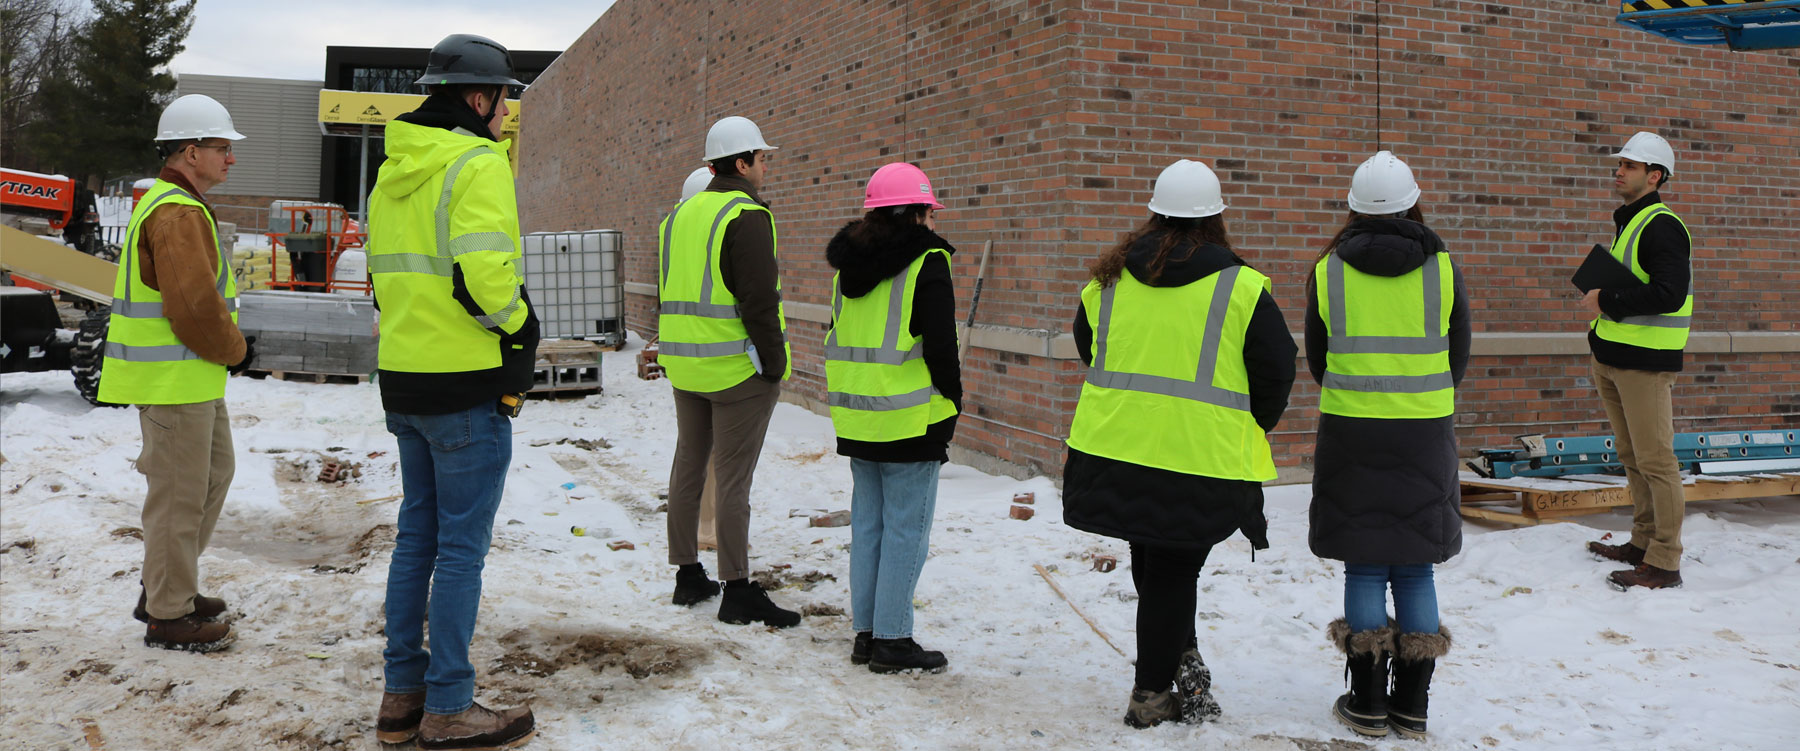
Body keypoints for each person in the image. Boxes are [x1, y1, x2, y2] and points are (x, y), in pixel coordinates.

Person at [1062, 159, 1296, 728]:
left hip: (1117, 449)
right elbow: (1277, 368)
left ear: (1154, 214)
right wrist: (1248, 422)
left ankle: (1177, 651)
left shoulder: (1108, 281)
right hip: (1199, 457)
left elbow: (1091, 348)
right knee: (1172, 567)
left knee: (1155, 554)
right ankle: (1151, 692)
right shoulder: (1240, 286)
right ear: (1215, 218)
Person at [365, 33, 538, 750]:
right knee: (461, 549)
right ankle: (450, 705)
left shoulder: (393, 171)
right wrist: (523, 329)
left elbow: (381, 280)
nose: (505, 114)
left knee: (417, 540)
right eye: (503, 100)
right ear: (478, 97)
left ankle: (401, 698)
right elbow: (485, 280)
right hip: (466, 386)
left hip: (405, 379)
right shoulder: (477, 163)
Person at [1305, 150, 1468, 740]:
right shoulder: (1442, 267)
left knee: (1367, 564)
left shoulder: (1327, 269)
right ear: (1412, 203)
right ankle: (1413, 707)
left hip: (1352, 428)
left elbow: (1319, 358)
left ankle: (1368, 702)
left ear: (1351, 208)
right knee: (1416, 567)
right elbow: (1459, 353)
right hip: (1424, 431)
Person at [99, 93, 254, 654]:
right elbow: (191, 306)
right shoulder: (177, 212)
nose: (229, 158)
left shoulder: (176, 205)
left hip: (190, 381)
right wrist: (236, 349)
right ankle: (168, 613)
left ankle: (168, 586)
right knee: (179, 496)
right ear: (191, 152)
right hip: (175, 383)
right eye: (221, 148)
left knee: (212, 477)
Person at [657, 116, 799, 626]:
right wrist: (775, 363)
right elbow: (759, 299)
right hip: (736, 372)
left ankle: (687, 575)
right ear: (741, 163)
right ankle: (737, 590)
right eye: (761, 158)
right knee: (734, 481)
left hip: (686, 367)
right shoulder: (747, 215)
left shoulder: (679, 216)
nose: (766, 166)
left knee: (689, 468)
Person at [823, 162, 962, 674]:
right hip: (910, 418)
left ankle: (868, 634)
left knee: (870, 526)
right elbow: (941, 346)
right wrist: (954, 400)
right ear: (920, 212)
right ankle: (893, 639)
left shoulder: (846, 268)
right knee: (906, 528)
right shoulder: (928, 262)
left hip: (858, 417)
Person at [1581, 131, 1693, 592]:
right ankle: (1643, 541)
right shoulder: (1632, 221)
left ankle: (1664, 561)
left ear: (1655, 176)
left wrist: (1605, 297)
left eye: (1629, 165)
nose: (1619, 170)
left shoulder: (1662, 226)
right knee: (1632, 456)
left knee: (1656, 461)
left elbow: (1669, 294)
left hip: (1644, 365)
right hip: (1614, 358)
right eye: (1620, 164)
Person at [676, 165, 721, 552]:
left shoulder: (678, 240)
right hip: (720, 363)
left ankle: (698, 530)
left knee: (694, 454)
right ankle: (708, 528)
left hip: (688, 363)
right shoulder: (723, 233)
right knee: (715, 457)